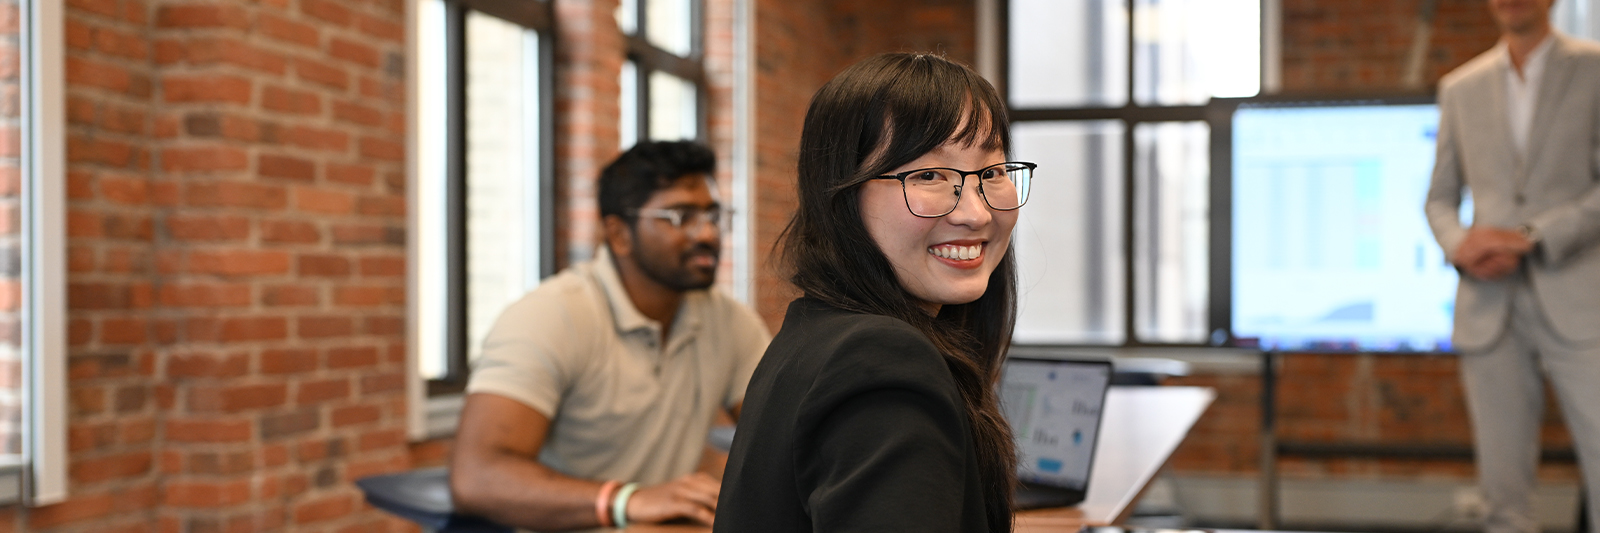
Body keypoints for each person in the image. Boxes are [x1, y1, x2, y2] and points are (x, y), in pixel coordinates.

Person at [715, 53, 1028, 532]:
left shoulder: (816, 334)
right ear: (842, 196)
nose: (976, 213)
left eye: (991, 173)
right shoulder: (881, 360)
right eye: (928, 175)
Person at [450, 140, 772, 531]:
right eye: (679, 216)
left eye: (713, 215)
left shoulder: (729, 321)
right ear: (618, 233)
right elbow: (477, 477)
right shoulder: (552, 316)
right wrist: (627, 500)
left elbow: (782, 437)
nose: (706, 233)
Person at [1424, 1, 1600, 532]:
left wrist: (1532, 237)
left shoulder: (1594, 68)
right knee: (1503, 497)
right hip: (1487, 305)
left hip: (1580, 301)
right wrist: (1461, 244)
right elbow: (1439, 199)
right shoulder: (1460, 86)